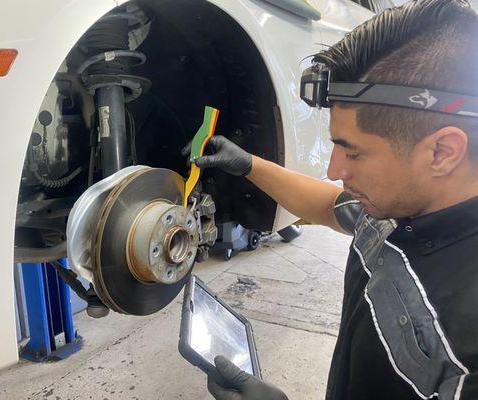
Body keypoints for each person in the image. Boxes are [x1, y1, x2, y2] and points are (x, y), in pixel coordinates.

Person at [184, 0, 478, 399]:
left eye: (353, 151)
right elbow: (330, 205)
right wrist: (250, 165)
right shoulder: (400, 210)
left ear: (442, 152)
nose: (335, 168)